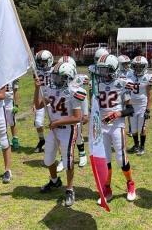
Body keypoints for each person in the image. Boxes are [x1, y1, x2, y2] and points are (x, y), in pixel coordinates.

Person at [34, 62, 86, 207]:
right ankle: (54, 180)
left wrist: (57, 122)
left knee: (68, 161)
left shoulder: (74, 92)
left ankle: (70, 189)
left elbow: (77, 118)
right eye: (55, 76)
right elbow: (38, 105)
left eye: (60, 77)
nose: (56, 79)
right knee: (48, 159)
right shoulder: (51, 89)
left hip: (68, 130)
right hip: (54, 130)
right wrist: (37, 88)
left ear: (68, 78)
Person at [92, 54, 136, 204]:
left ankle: (130, 183)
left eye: (106, 70)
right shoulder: (97, 85)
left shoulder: (122, 84)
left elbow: (131, 110)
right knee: (105, 159)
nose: (102, 74)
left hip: (117, 125)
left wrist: (116, 114)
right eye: (101, 70)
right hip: (102, 126)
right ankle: (107, 188)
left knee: (121, 157)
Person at [56, 56, 88, 171]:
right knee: (62, 138)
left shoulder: (80, 79)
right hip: (64, 109)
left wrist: (85, 113)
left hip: (75, 108)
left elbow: (83, 97)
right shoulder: (57, 82)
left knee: (77, 135)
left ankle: (82, 153)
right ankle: (63, 158)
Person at [126, 56, 152, 155]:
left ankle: (142, 147)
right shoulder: (129, 75)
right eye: (136, 66)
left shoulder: (147, 77)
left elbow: (150, 95)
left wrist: (148, 109)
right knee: (133, 127)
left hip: (142, 105)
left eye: (140, 66)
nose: (138, 68)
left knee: (142, 128)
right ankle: (136, 145)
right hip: (132, 105)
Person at [33, 50, 54, 153]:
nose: (41, 64)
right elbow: (36, 87)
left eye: (43, 61)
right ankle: (41, 140)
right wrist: (34, 102)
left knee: (53, 123)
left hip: (52, 99)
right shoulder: (36, 71)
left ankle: (52, 142)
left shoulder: (55, 70)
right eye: (39, 61)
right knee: (37, 122)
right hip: (41, 98)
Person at [0, 78, 20, 151]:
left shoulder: (12, 75)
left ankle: (15, 139)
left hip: (9, 101)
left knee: (12, 121)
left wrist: (16, 104)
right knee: (1, 121)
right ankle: (2, 140)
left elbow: (15, 90)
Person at [118, 55, 133, 137]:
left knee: (130, 111)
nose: (127, 65)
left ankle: (131, 128)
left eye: (128, 63)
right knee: (120, 111)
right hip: (120, 94)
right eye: (125, 64)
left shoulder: (131, 72)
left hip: (129, 93)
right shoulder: (117, 72)